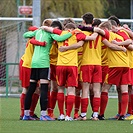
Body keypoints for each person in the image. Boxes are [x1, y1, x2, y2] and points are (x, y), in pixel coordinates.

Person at [22, 19, 74, 121]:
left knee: (31, 88)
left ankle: (26, 114)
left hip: (34, 62)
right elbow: (61, 38)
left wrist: (37, 38)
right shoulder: (50, 34)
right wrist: (72, 32)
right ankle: (43, 114)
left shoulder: (37, 32)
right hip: (43, 63)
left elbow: (25, 35)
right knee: (44, 88)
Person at [95, 20, 132, 120]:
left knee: (105, 88)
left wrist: (91, 28)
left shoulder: (108, 34)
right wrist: (122, 47)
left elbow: (111, 45)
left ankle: (101, 114)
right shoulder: (121, 35)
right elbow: (129, 41)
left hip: (115, 65)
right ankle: (122, 115)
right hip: (126, 64)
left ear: (106, 29)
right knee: (124, 89)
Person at [19, 26, 45, 120]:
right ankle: (26, 113)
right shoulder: (34, 40)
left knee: (31, 89)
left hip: (26, 63)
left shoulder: (30, 39)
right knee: (29, 89)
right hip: (29, 65)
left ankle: (27, 113)